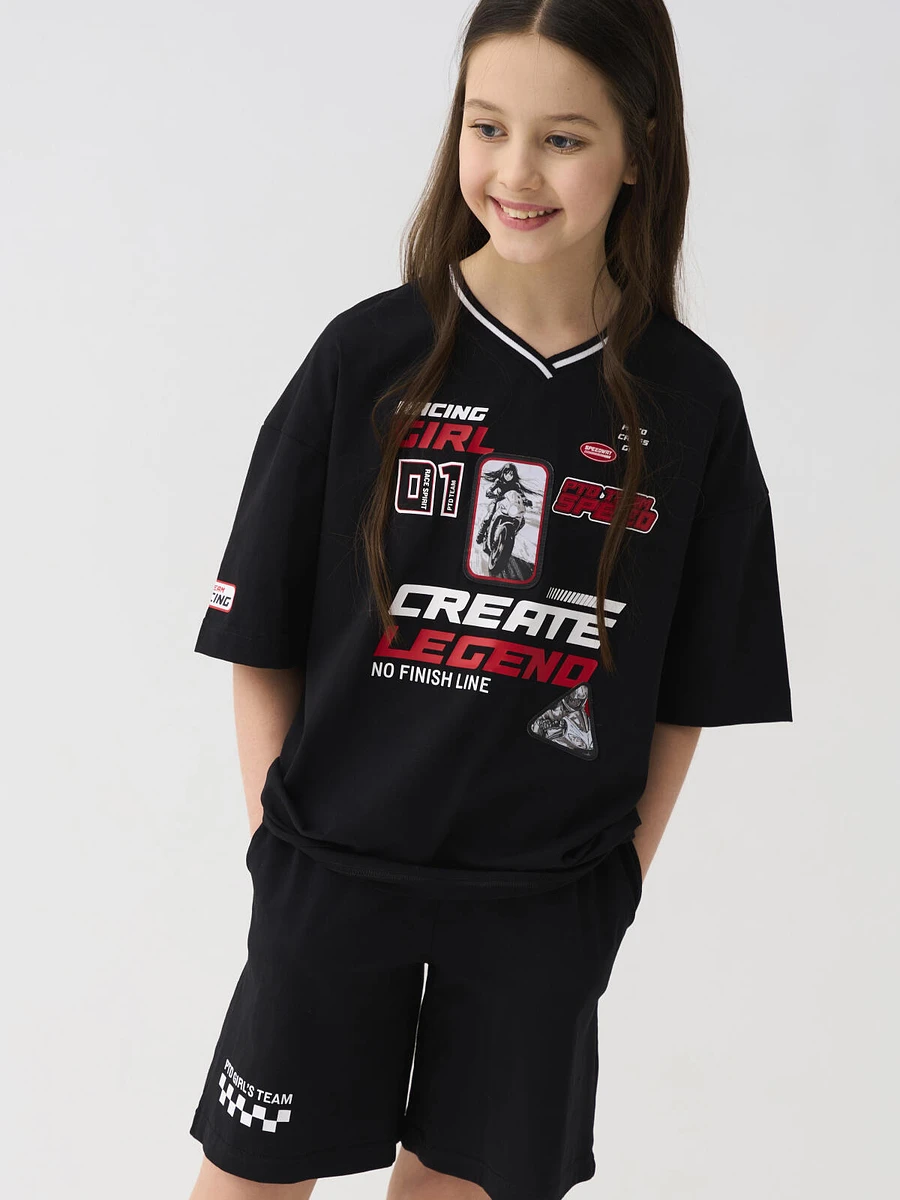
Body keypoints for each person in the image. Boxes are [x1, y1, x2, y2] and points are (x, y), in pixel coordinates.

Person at [186, 3, 793, 1198]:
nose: (515, 172)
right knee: (249, 1180)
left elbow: (690, 688)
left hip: (542, 905)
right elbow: (260, 634)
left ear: (641, 147)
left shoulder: (689, 402)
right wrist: (274, 848)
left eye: (563, 137)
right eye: (487, 126)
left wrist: (615, 882)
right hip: (331, 873)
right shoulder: (365, 358)